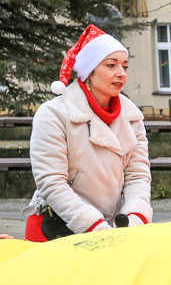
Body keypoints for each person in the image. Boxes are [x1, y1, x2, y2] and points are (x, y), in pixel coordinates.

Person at [25, 25, 151, 242]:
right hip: (57, 229)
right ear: (89, 71)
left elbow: (138, 176)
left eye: (125, 66)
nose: (121, 73)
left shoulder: (132, 117)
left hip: (112, 230)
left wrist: (134, 218)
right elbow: (52, 182)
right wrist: (93, 226)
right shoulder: (54, 114)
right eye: (111, 65)